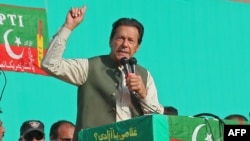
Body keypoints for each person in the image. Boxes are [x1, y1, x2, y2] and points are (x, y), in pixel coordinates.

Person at [41, 5, 164, 141]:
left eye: (131, 41)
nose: (125, 44)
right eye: (120, 38)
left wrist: (143, 94)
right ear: (110, 41)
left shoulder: (145, 76)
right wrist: (68, 27)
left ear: (137, 47)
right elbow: (50, 64)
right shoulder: (89, 67)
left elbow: (158, 120)